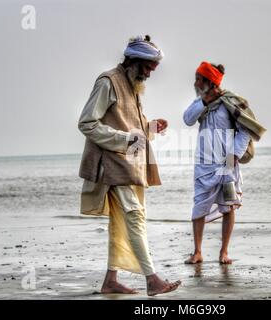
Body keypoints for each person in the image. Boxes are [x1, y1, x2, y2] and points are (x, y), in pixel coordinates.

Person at [77, 35, 181, 296]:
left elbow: (126, 124)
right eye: (147, 67)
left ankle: (110, 281)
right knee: (135, 216)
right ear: (133, 60)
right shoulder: (107, 82)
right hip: (112, 164)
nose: (148, 73)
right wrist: (126, 140)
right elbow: (87, 124)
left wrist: (150, 127)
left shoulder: (133, 85)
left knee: (122, 221)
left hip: (131, 164)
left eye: (152, 69)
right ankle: (152, 280)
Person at [183, 61, 264, 265]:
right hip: (204, 162)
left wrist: (234, 155)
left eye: (199, 79)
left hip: (227, 162)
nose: (195, 82)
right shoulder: (198, 102)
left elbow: (245, 130)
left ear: (209, 81)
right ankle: (197, 252)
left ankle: (224, 253)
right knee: (199, 205)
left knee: (229, 206)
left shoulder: (230, 102)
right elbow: (187, 119)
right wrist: (204, 101)